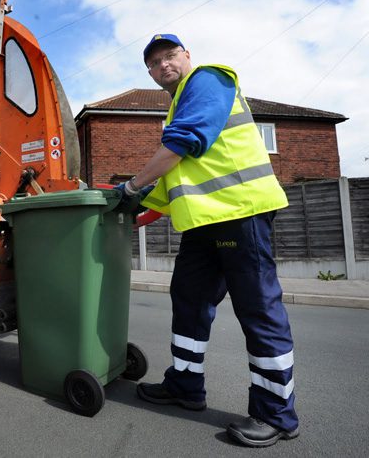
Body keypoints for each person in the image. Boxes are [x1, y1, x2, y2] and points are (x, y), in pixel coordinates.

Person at [117, 34, 299, 448]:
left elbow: (183, 143)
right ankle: (185, 385)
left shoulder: (207, 80)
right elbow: (175, 179)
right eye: (154, 62)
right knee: (189, 300)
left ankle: (277, 414)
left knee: (258, 309)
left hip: (241, 212)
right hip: (203, 224)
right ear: (148, 73)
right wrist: (132, 210)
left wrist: (130, 186)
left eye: (170, 56)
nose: (163, 65)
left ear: (187, 56)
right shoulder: (179, 103)